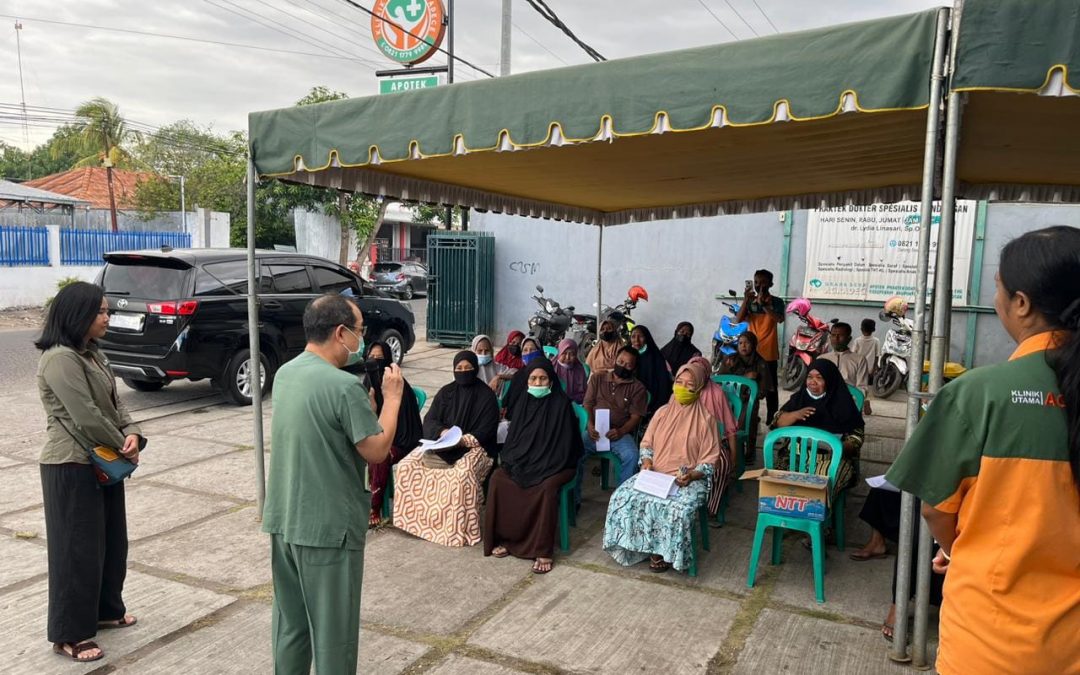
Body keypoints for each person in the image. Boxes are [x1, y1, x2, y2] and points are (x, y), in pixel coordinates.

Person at [885, 226, 1080, 675]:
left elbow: (935, 510)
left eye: (998, 288)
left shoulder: (980, 394)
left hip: (991, 644)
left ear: (1022, 303)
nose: (996, 300)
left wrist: (962, 549)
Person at [262, 294, 404, 674]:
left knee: (291, 626)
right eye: (359, 331)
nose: (361, 339)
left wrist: (367, 413)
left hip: (285, 520)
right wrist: (392, 401)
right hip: (327, 528)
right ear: (340, 333)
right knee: (334, 637)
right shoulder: (343, 387)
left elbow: (325, 433)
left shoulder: (287, 373)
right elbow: (376, 450)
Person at [35, 282, 145, 663]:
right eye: (100, 311)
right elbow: (84, 415)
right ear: (78, 315)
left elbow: (116, 404)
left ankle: (105, 610)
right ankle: (71, 633)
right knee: (75, 551)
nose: (107, 317)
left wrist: (133, 433)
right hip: (70, 464)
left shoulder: (94, 354)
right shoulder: (60, 358)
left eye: (106, 310)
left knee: (112, 542)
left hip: (103, 458)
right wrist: (121, 445)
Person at [603, 360, 721, 573]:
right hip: (655, 474)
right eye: (679, 382)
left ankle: (663, 552)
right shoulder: (662, 413)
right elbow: (647, 444)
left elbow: (709, 460)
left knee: (675, 509)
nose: (682, 388)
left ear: (700, 389)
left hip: (686, 481)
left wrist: (692, 475)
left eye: (689, 385)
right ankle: (638, 545)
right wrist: (647, 462)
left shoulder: (706, 420)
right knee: (621, 497)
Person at [485, 360, 582, 574]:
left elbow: (566, 446)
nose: (537, 383)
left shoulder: (561, 404)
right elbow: (513, 442)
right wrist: (518, 462)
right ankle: (507, 539)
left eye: (542, 378)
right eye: (533, 379)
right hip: (525, 461)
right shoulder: (523, 403)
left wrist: (541, 465)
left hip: (557, 464)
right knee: (499, 479)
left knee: (546, 488)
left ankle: (542, 549)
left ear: (551, 380)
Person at [394, 351, 500, 546]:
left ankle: (455, 530)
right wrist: (442, 432)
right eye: (459, 368)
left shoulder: (486, 396)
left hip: (475, 447)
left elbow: (486, 430)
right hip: (441, 443)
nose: (464, 371)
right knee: (406, 466)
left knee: (461, 477)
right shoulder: (446, 392)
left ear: (475, 369)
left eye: (468, 368)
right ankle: (417, 523)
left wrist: (461, 440)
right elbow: (430, 419)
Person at [770, 358, 864, 501]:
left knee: (822, 485)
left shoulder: (843, 404)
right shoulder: (799, 399)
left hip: (831, 460)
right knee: (776, 483)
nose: (812, 382)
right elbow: (776, 423)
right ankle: (788, 514)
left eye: (819, 378)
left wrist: (836, 447)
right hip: (795, 456)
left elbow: (856, 438)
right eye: (809, 377)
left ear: (830, 380)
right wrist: (795, 415)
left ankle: (814, 517)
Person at [359, 340, 424, 528]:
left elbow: (401, 428)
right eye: (372, 357)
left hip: (402, 441)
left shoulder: (398, 386)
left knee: (379, 455)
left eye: (380, 358)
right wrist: (371, 407)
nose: (375, 361)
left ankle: (375, 506)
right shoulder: (368, 382)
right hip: (376, 435)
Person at [578, 346, 649, 505]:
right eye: (620, 361)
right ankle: (574, 501)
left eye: (628, 365)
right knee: (574, 451)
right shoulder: (597, 378)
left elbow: (636, 416)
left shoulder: (638, 388)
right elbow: (587, 404)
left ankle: (620, 502)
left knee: (632, 456)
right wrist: (589, 425)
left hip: (619, 434)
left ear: (634, 368)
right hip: (594, 431)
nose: (623, 366)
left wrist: (621, 431)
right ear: (615, 360)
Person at [687, 355, 738, 518]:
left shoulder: (716, 393)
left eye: (700, 372)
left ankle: (710, 508)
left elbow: (730, 428)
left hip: (714, 443)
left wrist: (734, 457)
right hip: (686, 442)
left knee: (721, 464)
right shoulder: (682, 390)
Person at [735, 269, 785, 424]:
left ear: (771, 284)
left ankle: (772, 419)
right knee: (749, 385)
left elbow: (779, 319)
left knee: (771, 388)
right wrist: (745, 300)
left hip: (768, 351)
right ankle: (750, 416)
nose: (759, 285)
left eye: (763, 282)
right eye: (756, 282)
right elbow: (738, 320)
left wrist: (764, 306)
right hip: (751, 352)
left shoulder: (776, 301)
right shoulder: (750, 301)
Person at [719, 331, 772, 462]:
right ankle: (725, 449)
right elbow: (719, 380)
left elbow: (763, 389)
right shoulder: (730, 360)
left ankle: (748, 453)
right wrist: (744, 378)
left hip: (749, 401)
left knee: (747, 418)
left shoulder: (761, 363)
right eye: (740, 343)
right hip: (728, 399)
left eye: (747, 343)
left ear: (753, 345)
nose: (743, 346)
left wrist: (751, 391)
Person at [820, 322, 872, 415]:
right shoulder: (822, 359)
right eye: (833, 335)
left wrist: (851, 401)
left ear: (849, 339)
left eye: (840, 336)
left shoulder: (859, 360)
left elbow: (862, 387)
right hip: (824, 404)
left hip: (849, 404)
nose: (836, 339)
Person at [628, 325, 673, 414]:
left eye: (640, 336)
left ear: (646, 338)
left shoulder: (656, 357)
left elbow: (663, 383)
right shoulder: (627, 354)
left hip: (651, 402)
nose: (636, 340)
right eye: (633, 336)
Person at [501, 337, 545, 412]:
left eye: (532, 349)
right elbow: (508, 401)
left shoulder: (546, 373)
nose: (528, 353)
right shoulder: (518, 375)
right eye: (525, 350)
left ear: (539, 351)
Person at [552, 338, 587, 404]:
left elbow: (583, 393)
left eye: (572, 354)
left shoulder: (579, 370)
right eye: (564, 353)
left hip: (574, 404)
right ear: (559, 353)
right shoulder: (552, 367)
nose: (567, 357)